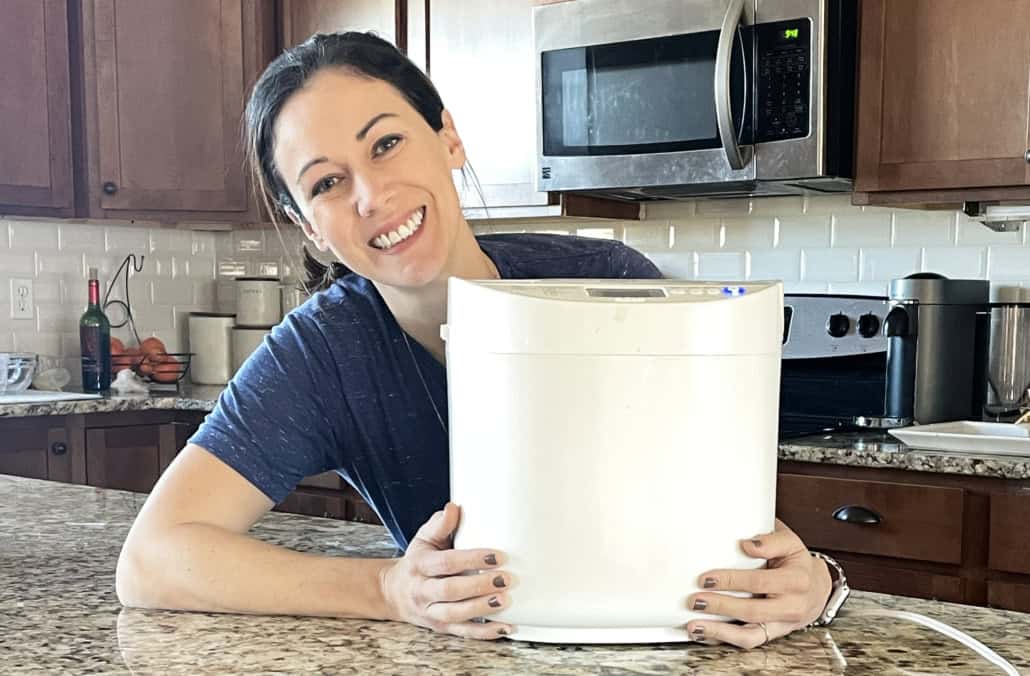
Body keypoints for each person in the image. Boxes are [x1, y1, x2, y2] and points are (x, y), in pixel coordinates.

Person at [115, 31, 836, 648]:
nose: (372, 196)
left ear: (448, 137)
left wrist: (813, 583)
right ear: (309, 227)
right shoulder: (323, 353)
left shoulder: (611, 280)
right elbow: (152, 561)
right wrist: (390, 589)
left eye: (388, 144)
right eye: (328, 183)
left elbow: (714, 514)